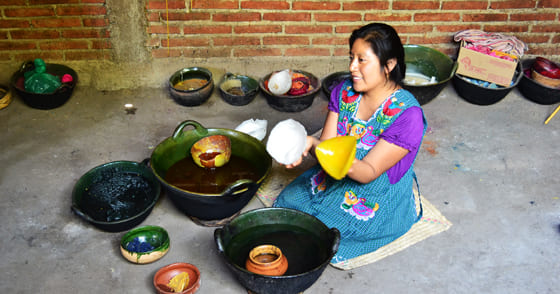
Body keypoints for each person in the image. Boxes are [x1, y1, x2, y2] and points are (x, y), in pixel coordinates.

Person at [273, 23, 427, 264]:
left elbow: (368, 172)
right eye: (351, 58)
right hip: (335, 173)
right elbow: (328, 145)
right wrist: (310, 143)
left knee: (328, 235)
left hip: (374, 188)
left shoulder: (407, 116)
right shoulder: (344, 92)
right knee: (290, 207)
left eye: (362, 60)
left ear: (389, 65)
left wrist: (318, 146)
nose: (352, 67)